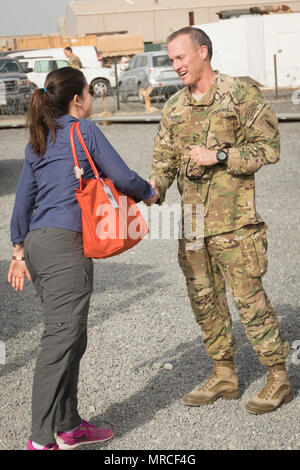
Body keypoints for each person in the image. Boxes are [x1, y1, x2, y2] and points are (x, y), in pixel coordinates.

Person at [8, 66, 158, 450]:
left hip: (40, 247)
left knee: (72, 335)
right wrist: (149, 193)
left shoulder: (38, 139)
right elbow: (123, 178)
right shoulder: (83, 130)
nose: (92, 97)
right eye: (90, 91)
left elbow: (23, 202)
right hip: (64, 247)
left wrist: (18, 251)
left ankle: (70, 426)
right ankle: (41, 440)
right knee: (60, 339)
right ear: (78, 99)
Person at [149, 26, 291, 414]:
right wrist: (151, 188)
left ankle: (277, 374)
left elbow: (269, 148)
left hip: (235, 223)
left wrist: (222, 156)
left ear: (203, 52)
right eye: (172, 59)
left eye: (180, 57)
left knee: (249, 301)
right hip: (192, 227)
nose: (175, 65)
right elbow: (163, 162)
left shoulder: (239, 94)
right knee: (204, 301)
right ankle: (224, 373)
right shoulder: (174, 107)